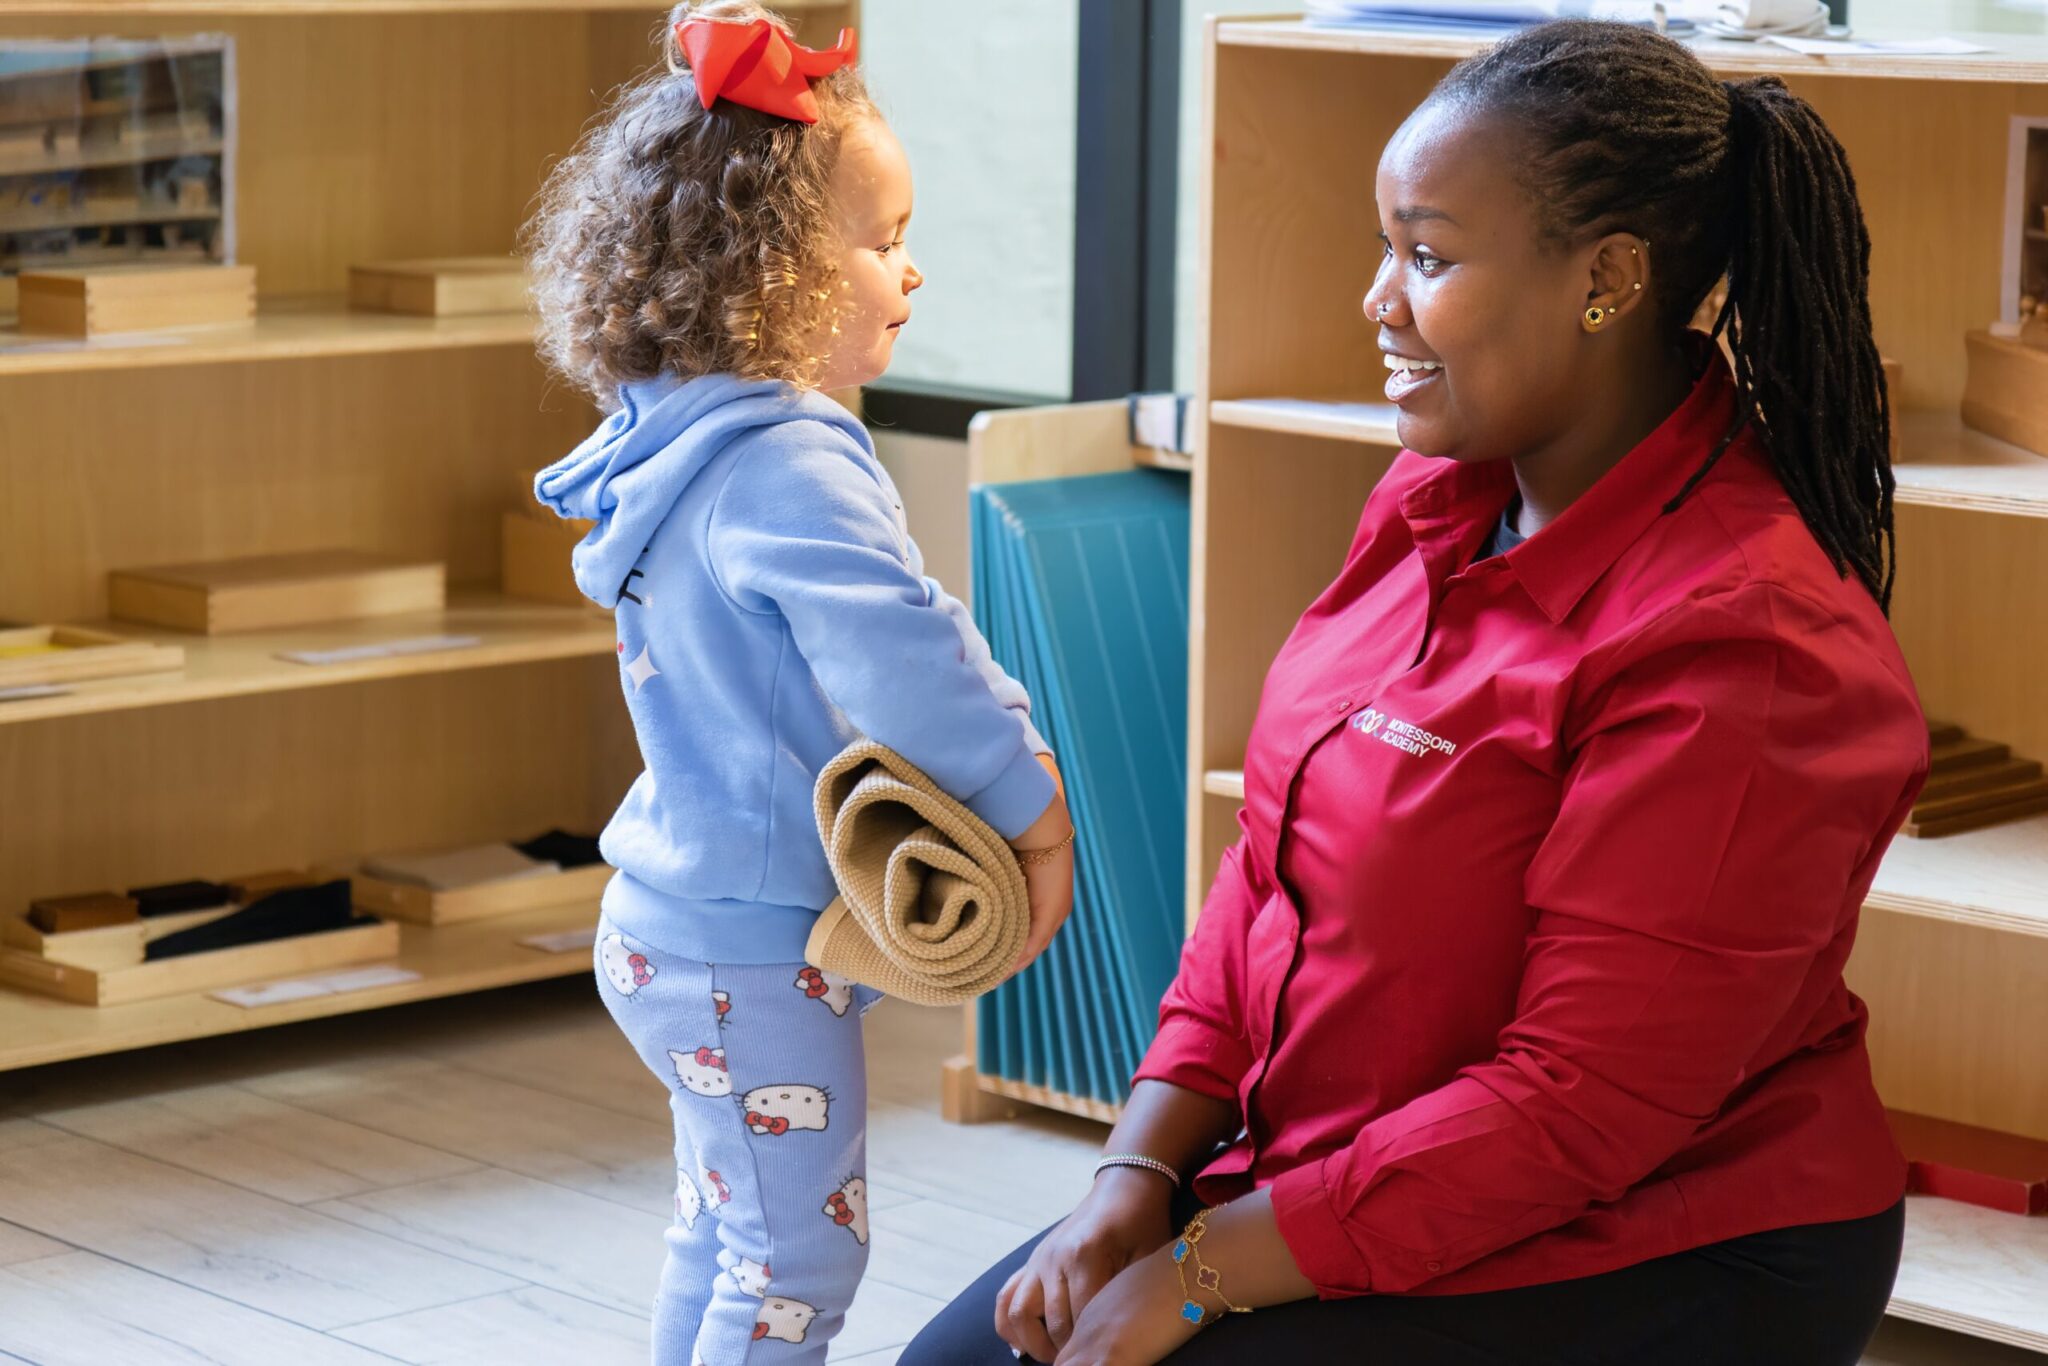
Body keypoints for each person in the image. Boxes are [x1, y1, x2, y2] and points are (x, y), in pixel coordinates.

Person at [905, 19, 1925, 1366]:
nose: (1379, 299)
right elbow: (1271, 873)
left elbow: (1581, 1104)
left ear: (1608, 280)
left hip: (1660, 1235)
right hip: (1354, 1178)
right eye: (1386, 246)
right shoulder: (1436, 498)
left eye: (1429, 256)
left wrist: (1209, 1266)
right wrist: (1134, 1177)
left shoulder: (1750, 645)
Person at [523, 4, 1075, 1360]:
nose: (912, 272)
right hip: (755, 955)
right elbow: (911, 655)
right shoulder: (794, 462)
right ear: (779, 276)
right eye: (886, 243)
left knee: (724, 1229)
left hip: (670, 921)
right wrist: (1032, 800)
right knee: (800, 1258)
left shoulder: (665, 439)